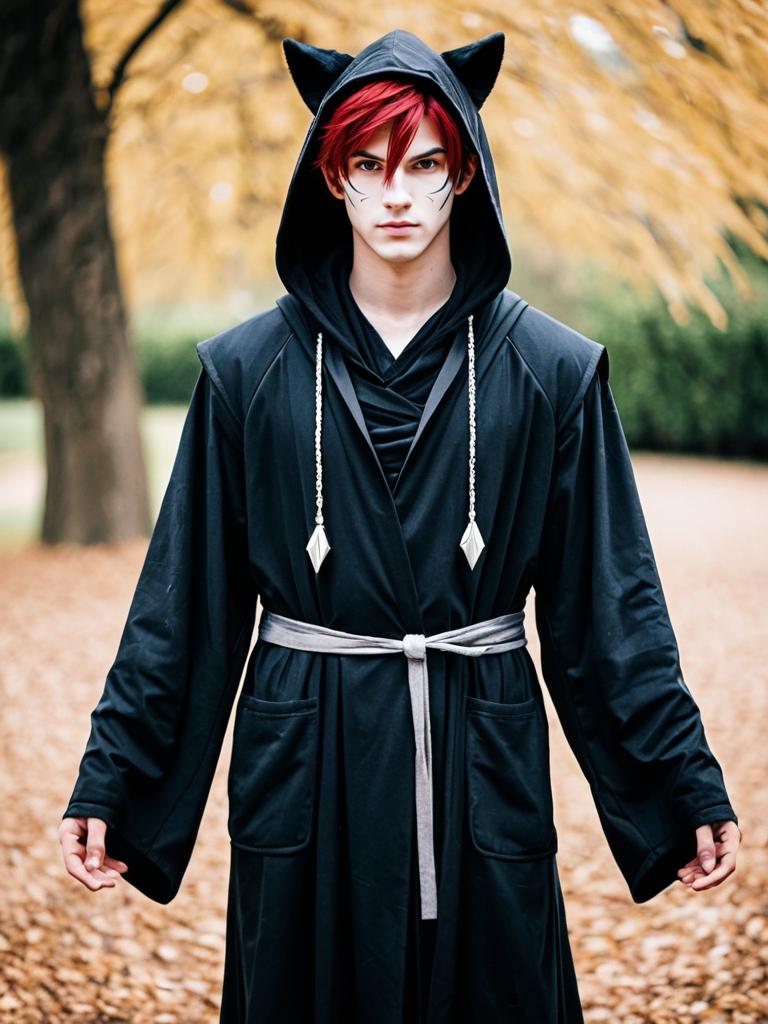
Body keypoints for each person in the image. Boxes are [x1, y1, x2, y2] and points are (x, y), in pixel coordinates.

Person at [59, 27, 741, 1023]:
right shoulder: (246, 374)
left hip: (478, 757)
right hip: (308, 760)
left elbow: (611, 611)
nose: (396, 195)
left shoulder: (552, 374)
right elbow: (185, 607)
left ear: (464, 173)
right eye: (367, 165)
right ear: (330, 176)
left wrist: (681, 783)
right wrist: (115, 777)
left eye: (424, 164)